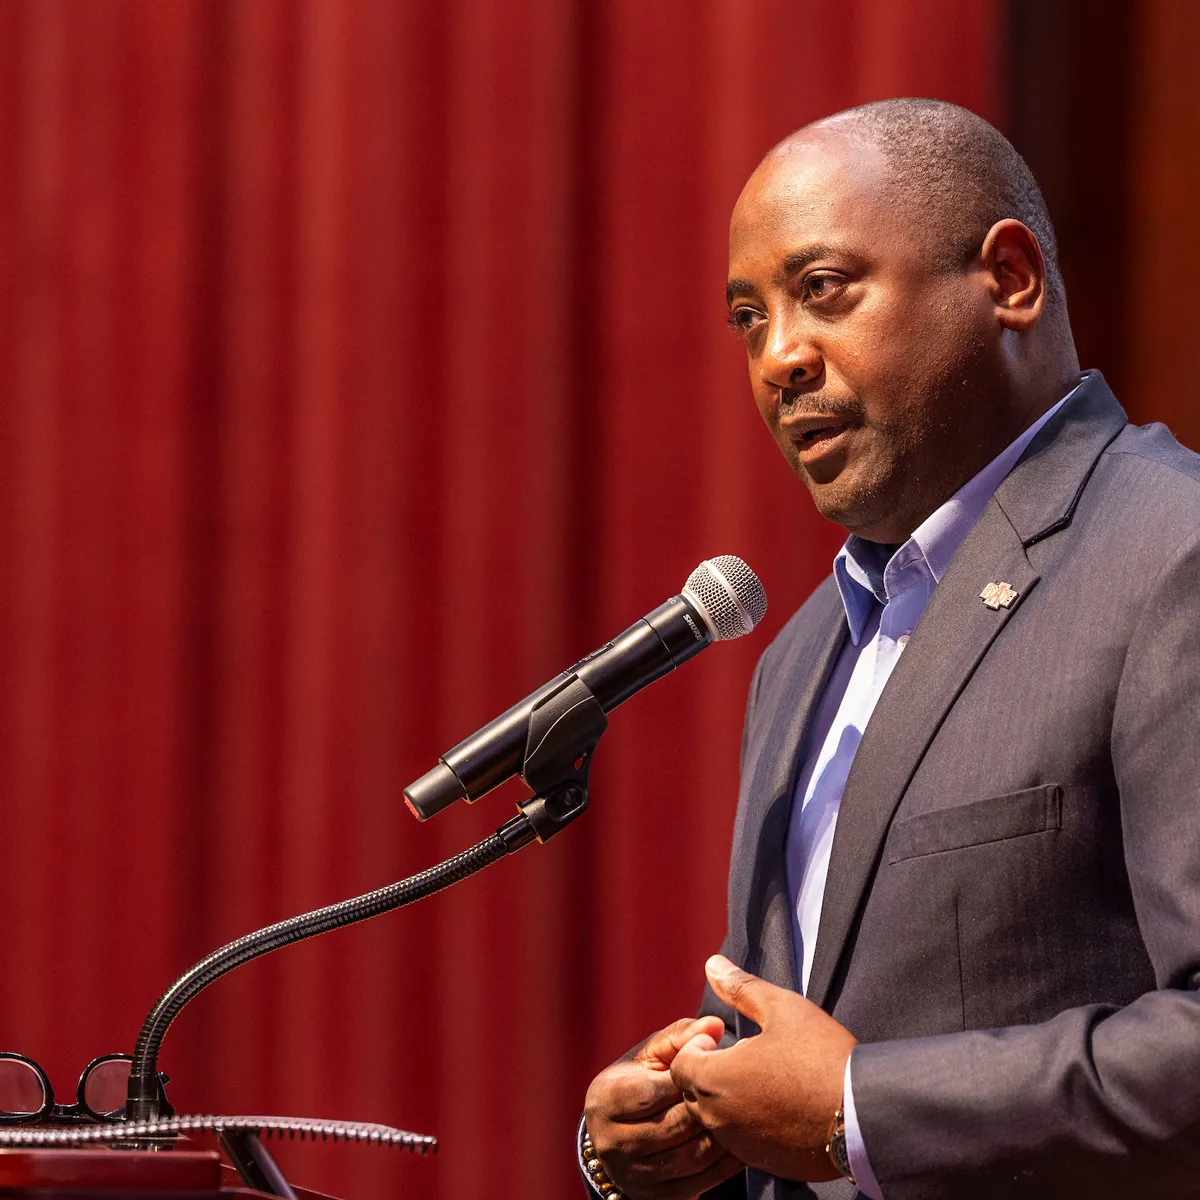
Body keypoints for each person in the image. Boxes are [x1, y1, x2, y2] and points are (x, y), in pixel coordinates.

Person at [579, 98, 1200, 1200]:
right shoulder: (806, 647)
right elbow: (821, 1051)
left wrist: (863, 1110)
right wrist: (692, 1120)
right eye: (746, 319)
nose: (778, 358)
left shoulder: (1171, 557)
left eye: (822, 291)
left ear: (1008, 279)